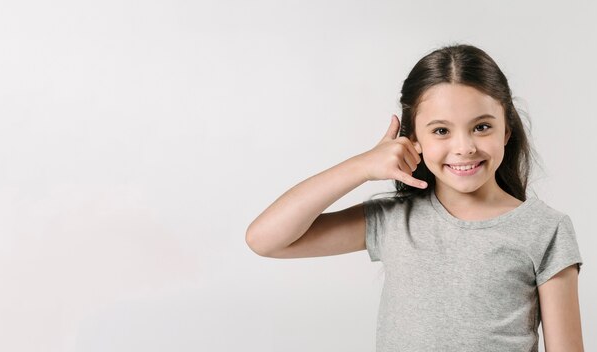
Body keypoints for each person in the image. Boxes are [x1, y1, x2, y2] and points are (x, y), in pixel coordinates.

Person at [245, 44, 584, 351]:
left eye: (482, 127)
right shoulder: (394, 220)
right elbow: (265, 239)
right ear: (412, 138)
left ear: (506, 130)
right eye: (441, 130)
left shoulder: (545, 229)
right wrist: (360, 167)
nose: (464, 147)